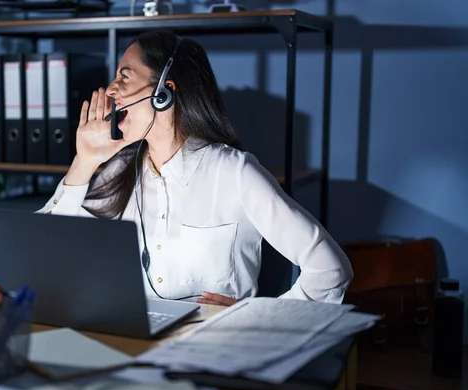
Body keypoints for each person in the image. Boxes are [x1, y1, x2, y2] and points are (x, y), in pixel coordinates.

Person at [37, 29, 353, 307]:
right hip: (132, 342)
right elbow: (43, 252)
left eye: (125, 75)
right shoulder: (119, 170)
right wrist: (85, 161)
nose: (109, 91)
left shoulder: (235, 174)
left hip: (214, 348)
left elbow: (330, 269)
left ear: (164, 92)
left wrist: (257, 318)